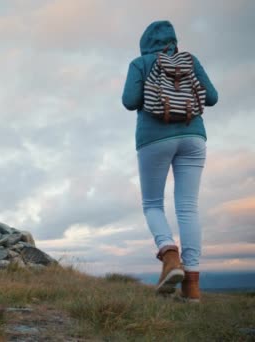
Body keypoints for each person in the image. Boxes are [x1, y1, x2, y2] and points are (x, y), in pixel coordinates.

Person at [121, 20, 218, 303]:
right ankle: (192, 288)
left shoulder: (140, 63)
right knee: (188, 208)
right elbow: (212, 97)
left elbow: (130, 101)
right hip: (193, 137)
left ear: (145, 43)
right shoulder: (190, 60)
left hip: (153, 138)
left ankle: (169, 256)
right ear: (174, 41)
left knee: (152, 204)